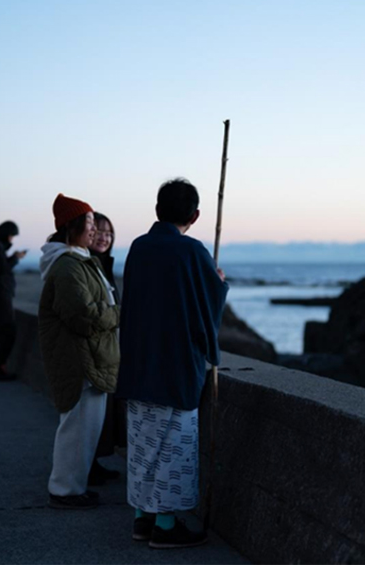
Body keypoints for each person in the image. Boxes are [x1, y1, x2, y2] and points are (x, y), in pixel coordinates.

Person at [115, 178, 228, 549]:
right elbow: (206, 306)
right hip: (175, 365)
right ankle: (165, 525)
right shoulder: (193, 252)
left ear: (157, 210)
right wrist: (219, 283)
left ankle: (142, 518)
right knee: (173, 446)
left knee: (143, 443)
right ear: (195, 215)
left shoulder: (139, 247)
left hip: (138, 360)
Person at [38, 194, 120, 510]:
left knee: (84, 430)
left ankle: (73, 487)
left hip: (87, 357)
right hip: (80, 360)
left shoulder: (78, 260)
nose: (93, 229)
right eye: (88, 223)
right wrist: (119, 313)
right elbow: (84, 316)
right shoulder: (68, 265)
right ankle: (65, 491)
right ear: (71, 227)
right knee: (77, 430)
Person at [87, 212, 123, 486]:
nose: (104, 237)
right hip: (93, 351)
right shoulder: (87, 265)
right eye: (98, 231)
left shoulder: (103, 265)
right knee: (90, 415)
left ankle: (93, 463)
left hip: (107, 349)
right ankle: (87, 467)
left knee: (102, 413)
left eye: (109, 233)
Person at [0, 221, 26, 381]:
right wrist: (15, 257)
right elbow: (2, 268)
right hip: (0, 294)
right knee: (8, 330)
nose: (11, 239)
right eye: (11, 236)